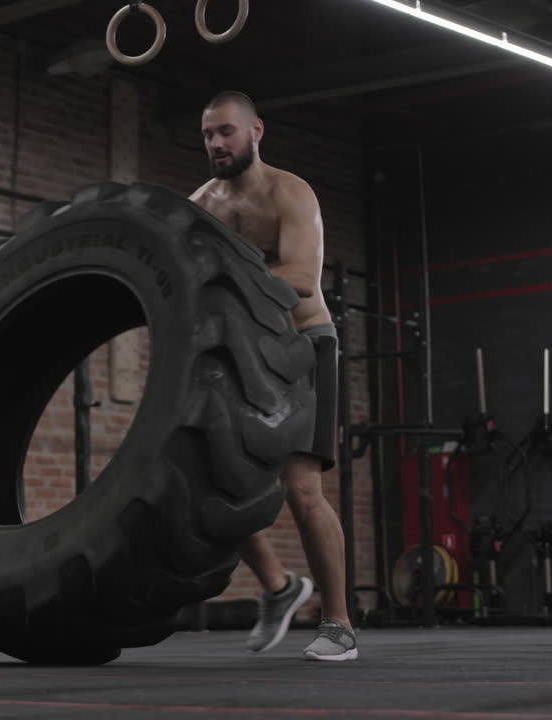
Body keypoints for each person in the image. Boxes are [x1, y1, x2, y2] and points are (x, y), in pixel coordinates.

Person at [189, 91, 357, 662]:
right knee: (212, 486)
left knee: (302, 489)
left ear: (255, 131)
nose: (216, 143)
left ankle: (338, 624)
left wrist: (220, 276)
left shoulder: (289, 192)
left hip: (306, 342)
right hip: (244, 351)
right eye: (208, 134)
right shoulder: (202, 206)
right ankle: (279, 586)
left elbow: (302, 278)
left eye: (226, 132)